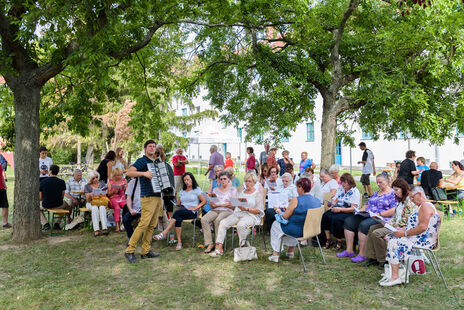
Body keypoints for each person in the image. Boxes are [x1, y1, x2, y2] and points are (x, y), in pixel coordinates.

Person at [381, 186, 440, 286]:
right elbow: (418, 225)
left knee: (394, 242)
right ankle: (395, 272)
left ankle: (395, 277)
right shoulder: (423, 206)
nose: (411, 201)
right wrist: (403, 230)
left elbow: (422, 227)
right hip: (419, 237)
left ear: (420, 194)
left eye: (412, 197)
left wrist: (404, 233)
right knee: (390, 236)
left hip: (423, 240)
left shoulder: (425, 206)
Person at [336, 172, 396, 263]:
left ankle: (362, 254)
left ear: (387, 181)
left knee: (364, 225)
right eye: (377, 182)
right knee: (349, 221)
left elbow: (393, 210)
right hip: (368, 214)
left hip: (381, 217)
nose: (378, 184)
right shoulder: (376, 193)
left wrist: (379, 214)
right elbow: (367, 204)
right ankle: (349, 250)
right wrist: (361, 210)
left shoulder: (392, 194)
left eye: (380, 182)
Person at [124, 140, 163, 263]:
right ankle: (129, 250)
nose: (152, 148)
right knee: (144, 224)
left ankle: (145, 251)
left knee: (151, 225)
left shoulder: (155, 161)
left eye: (153, 146)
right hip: (147, 196)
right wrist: (143, 174)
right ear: (145, 149)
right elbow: (129, 172)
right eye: (150, 146)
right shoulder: (142, 160)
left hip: (157, 196)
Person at [365, 178, 417, 268]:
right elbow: (396, 217)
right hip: (394, 225)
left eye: (397, 190)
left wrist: (390, 224)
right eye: (394, 190)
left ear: (403, 189)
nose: (395, 192)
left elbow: (406, 221)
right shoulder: (400, 201)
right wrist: (386, 221)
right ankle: (372, 257)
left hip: (401, 229)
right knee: (372, 228)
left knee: (376, 233)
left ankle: (383, 259)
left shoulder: (409, 202)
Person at [210, 172, 264, 257]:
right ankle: (219, 248)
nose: (247, 183)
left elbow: (259, 210)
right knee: (223, 223)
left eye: (249, 181)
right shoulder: (242, 192)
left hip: (251, 215)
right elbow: (236, 204)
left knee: (241, 225)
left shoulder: (257, 194)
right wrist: (234, 203)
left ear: (254, 182)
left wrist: (247, 209)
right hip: (238, 213)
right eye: (246, 181)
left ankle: (242, 248)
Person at [268, 178, 321, 262]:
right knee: (293, 223)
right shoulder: (317, 201)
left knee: (275, 224)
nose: (296, 189)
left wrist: (278, 211)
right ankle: (290, 252)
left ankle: (275, 254)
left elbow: (285, 217)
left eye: (297, 187)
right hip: (311, 230)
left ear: (301, 188)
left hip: (298, 230)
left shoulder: (296, 200)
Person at [154, 172, 206, 250]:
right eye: (184, 180)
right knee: (178, 217)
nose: (186, 181)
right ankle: (179, 242)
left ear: (192, 179)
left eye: (188, 179)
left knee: (177, 214)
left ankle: (165, 233)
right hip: (182, 211)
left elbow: (204, 201)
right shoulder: (183, 191)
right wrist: (178, 206)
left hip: (192, 212)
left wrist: (195, 208)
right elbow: (178, 203)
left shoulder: (196, 190)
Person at [321, 173, 360, 250]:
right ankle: (328, 239)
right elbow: (336, 200)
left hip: (349, 212)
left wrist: (340, 209)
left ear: (350, 182)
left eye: (344, 182)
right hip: (339, 209)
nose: (343, 184)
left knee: (337, 219)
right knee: (325, 215)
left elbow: (353, 208)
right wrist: (332, 204)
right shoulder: (341, 189)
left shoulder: (354, 191)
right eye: (342, 182)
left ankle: (339, 241)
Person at [201, 171, 237, 253]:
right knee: (204, 219)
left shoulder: (232, 190)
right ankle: (209, 243)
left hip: (227, 211)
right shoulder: (215, 189)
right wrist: (211, 203)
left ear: (228, 180)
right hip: (215, 209)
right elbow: (212, 204)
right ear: (219, 180)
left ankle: (218, 245)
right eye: (221, 179)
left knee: (218, 220)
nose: (223, 181)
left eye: (225, 179)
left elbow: (233, 205)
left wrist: (219, 205)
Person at [84, 170, 109, 237]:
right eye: (93, 178)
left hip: (101, 201)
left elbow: (105, 195)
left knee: (101, 208)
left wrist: (101, 194)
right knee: (94, 208)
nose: (95, 179)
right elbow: (88, 200)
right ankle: (96, 230)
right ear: (90, 179)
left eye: (96, 177)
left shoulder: (102, 184)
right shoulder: (87, 186)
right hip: (91, 202)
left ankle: (104, 228)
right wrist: (90, 195)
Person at [108, 167, 127, 232]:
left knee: (126, 206)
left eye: (121, 175)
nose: (120, 177)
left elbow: (128, 192)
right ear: (114, 175)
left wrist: (125, 189)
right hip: (113, 198)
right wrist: (113, 191)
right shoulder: (110, 181)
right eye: (118, 175)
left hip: (122, 198)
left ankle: (124, 224)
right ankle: (117, 225)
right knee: (117, 207)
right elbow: (108, 194)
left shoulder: (124, 180)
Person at [0, 164, 10, 228]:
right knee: (4, 206)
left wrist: (4, 185)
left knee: (5, 206)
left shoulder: (0, 165)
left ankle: (5, 223)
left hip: (1, 188)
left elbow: (1, 176)